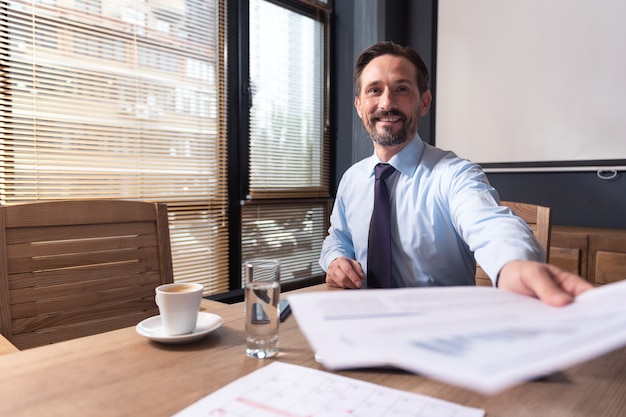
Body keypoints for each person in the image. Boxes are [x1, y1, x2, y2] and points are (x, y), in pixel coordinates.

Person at [319, 40, 592, 306]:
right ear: (359, 106)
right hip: (361, 326)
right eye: (374, 90)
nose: (387, 102)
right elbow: (337, 238)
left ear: (424, 102)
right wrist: (335, 259)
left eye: (401, 89)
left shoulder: (454, 174)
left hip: (442, 334)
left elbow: (489, 224)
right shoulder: (352, 179)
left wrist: (513, 264)